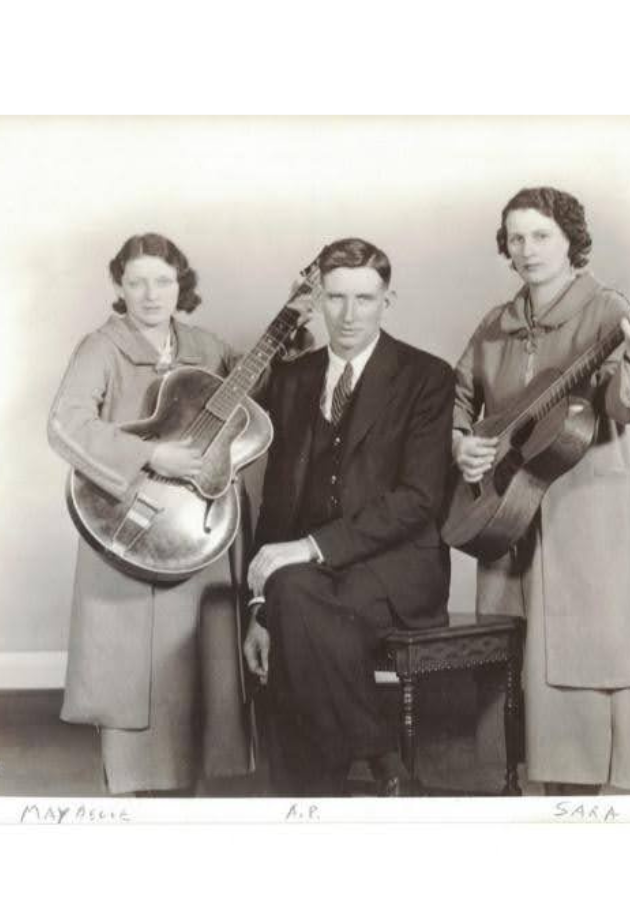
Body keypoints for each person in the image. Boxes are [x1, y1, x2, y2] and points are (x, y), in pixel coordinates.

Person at [453, 186, 630, 795]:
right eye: (516, 238)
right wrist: (460, 442)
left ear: (571, 240)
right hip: (504, 509)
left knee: (578, 662)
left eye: (541, 235)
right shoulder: (496, 322)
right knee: (505, 658)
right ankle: (511, 786)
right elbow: (460, 397)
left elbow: (625, 407)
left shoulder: (607, 311)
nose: (527, 249)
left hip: (582, 514)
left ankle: (577, 803)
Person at [241, 237, 455, 797]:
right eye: (335, 298)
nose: (349, 314)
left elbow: (418, 500)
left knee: (297, 607)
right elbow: (277, 503)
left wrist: (309, 551)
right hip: (308, 581)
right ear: (317, 298)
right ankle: (379, 759)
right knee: (291, 604)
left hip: (397, 568)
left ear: (388, 299)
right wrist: (258, 608)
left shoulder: (427, 377)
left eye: (365, 298)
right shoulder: (292, 379)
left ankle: (306, 799)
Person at [46, 233, 253, 796]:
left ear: (181, 285)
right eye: (136, 281)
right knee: (131, 678)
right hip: (128, 525)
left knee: (195, 667)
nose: (150, 293)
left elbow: (251, 413)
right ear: (119, 286)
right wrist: (149, 454)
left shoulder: (207, 347)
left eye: (162, 280)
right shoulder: (101, 348)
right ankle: (134, 804)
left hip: (192, 529)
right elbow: (65, 423)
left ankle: (185, 804)